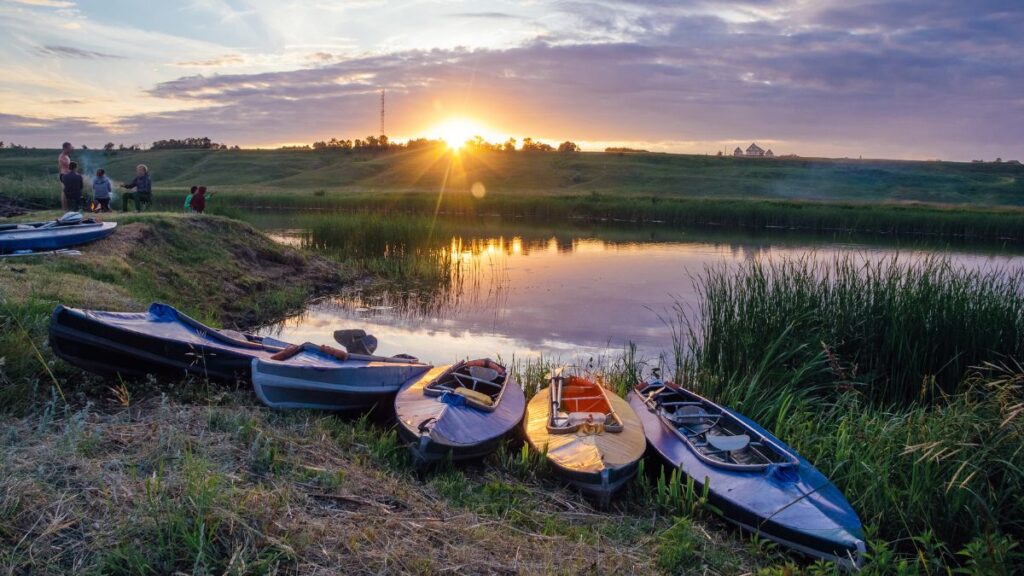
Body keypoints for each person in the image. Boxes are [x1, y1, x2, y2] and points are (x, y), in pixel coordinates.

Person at [57, 142, 72, 211]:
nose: (70, 149)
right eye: (69, 148)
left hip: (67, 176)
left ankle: (66, 208)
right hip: (64, 175)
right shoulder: (62, 156)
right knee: (64, 192)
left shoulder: (67, 156)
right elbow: (62, 167)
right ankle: (64, 208)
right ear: (65, 148)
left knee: (66, 192)